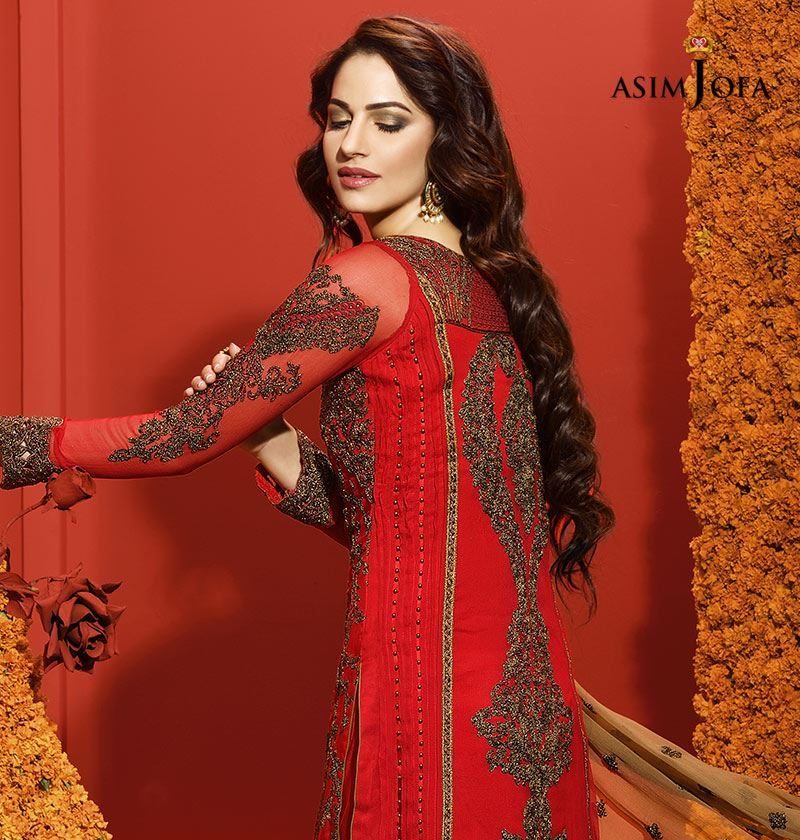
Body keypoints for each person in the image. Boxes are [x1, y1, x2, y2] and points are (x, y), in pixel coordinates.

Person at [1, 15, 797, 840]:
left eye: (387, 123)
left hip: (429, 705)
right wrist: (269, 438)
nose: (351, 145)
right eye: (338, 119)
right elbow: (411, 523)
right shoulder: (484, 292)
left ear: (444, 139)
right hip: (526, 713)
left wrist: (16, 446)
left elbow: (178, 439)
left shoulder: (367, 280)